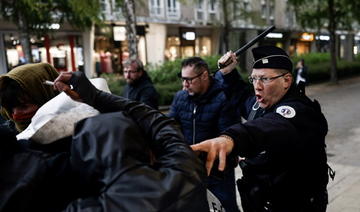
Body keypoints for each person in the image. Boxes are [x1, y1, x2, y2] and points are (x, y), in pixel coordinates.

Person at [0, 70, 210, 211]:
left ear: (84, 165)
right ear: (144, 147)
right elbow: (158, 122)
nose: (17, 115)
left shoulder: (84, 204)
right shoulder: (184, 169)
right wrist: (95, 96)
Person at [192, 46, 330, 212]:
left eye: (264, 79)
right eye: (254, 79)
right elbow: (241, 96)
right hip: (259, 200)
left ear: (286, 80)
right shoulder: (262, 104)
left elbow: (268, 127)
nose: (257, 86)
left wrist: (229, 139)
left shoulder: (300, 111)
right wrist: (228, 72)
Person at [168, 56, 241, 212]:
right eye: (183, 79)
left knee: (225, 207)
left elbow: (229, 135)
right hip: (189, 169)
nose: (184, 85)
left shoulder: (224, 97)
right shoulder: (180, 97)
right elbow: (170, 128)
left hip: (218, 173)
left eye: (189, 80)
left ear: (204, 76)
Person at [0, 63, 60, 132]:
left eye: (23, 106)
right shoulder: (6, 135)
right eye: (10, 108)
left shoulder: (73, 133)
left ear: (46, 94)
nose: (15, 114)